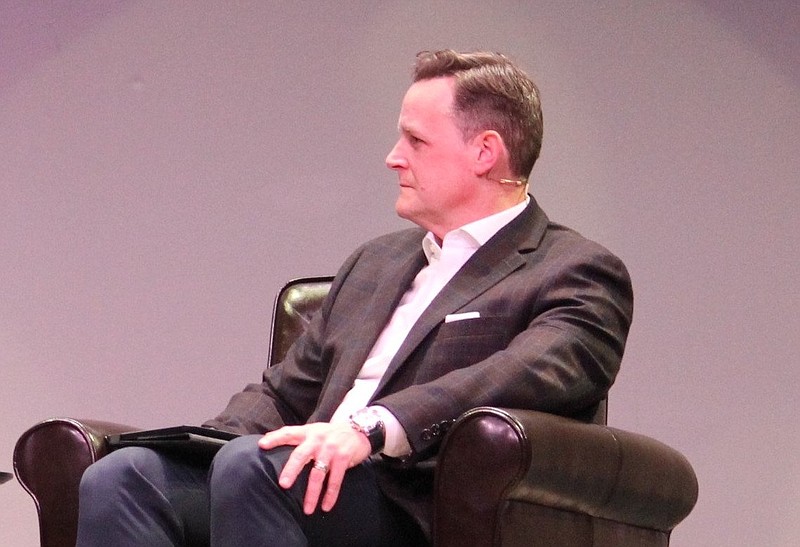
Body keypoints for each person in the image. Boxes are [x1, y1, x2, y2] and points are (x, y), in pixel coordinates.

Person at [76, 49, 633, 546]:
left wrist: (374, 427)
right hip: (299, 477)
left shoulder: (573, 270)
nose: (394, 157)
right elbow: (287, 393)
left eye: (415, 140)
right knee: (124, 475)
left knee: (256, 467)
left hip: (414, 499)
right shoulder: (376, 263)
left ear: (485, 151)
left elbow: (522, 373)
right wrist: (197, 443)